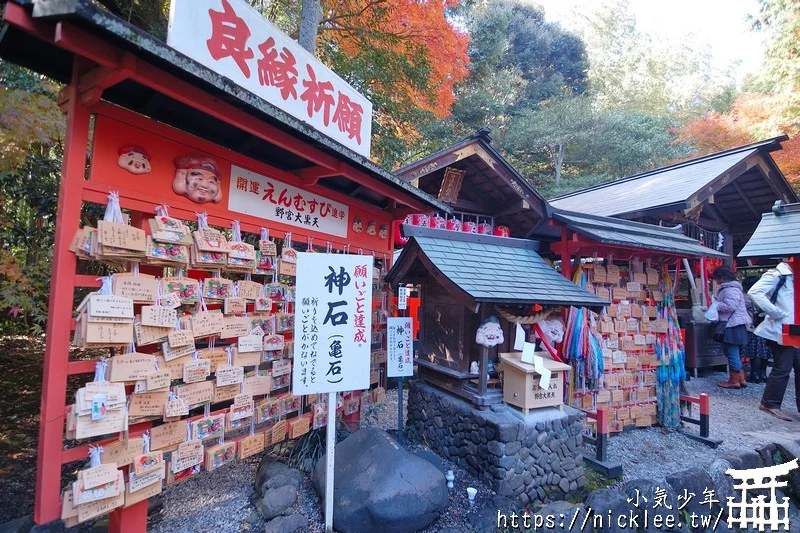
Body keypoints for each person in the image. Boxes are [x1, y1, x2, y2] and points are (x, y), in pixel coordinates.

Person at [748, 261, 798, 421]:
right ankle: (770, 403)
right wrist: (776, 313)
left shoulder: (793, 277)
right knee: (783, 367)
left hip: (795, 328)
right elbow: (755, 292)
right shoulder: (778, 274)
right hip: (780, 329)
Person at [712, 267, 751, 389]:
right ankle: (741, 379)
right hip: (737, 324)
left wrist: (716, 305)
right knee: (735, 353)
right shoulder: (735, 289)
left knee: (731, 353)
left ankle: (734, 380)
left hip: (732, 325)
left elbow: (730, 306)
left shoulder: (730, 290)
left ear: (722, 277)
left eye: (716, 278)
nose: (715, 280)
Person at [743, 276, 771, 383]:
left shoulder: (748, 297)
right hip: (767, 326)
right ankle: (763, 374)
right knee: (765, 351)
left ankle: (754, 374)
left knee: (755, 352)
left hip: (754, 327)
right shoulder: (765, 295)